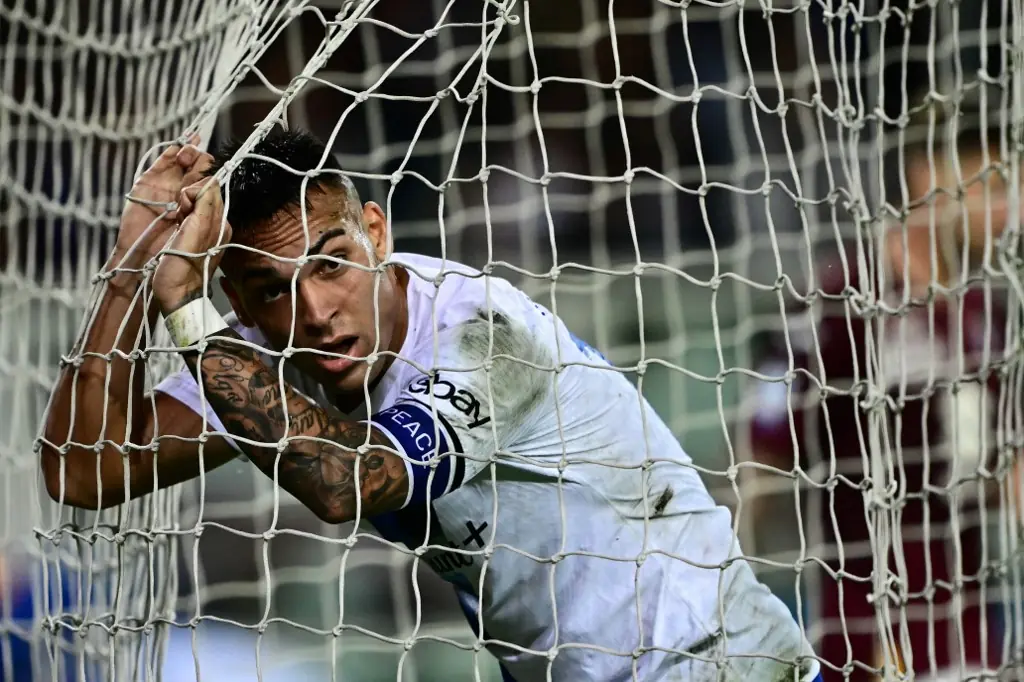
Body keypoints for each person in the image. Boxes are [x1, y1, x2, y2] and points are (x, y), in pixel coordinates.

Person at [40, 129, 821, 681]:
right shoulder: (266, 348)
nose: (316, 312)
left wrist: (184, 312)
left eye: (332, 264)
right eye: (273, 289)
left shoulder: (483, 334)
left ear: (374, 233)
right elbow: (83, 468)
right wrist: (132, 271)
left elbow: (351, 481)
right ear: (238, 301)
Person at [746, 89, 1015, 681]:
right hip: (865, 647)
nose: (1010, 211)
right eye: (994, 186)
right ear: (928, 177)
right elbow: (758, 462)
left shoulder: (988, 316)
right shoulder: (839, 301)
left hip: (974, 643)